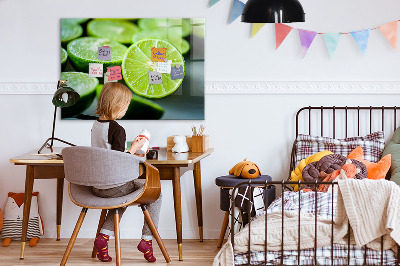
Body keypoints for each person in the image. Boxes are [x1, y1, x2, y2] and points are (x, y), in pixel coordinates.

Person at [91, 82, 161, 263]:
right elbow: (119, 161)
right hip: (114, 186)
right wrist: (136, 148)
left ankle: (103, 238)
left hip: (97, 186)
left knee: (121, 198)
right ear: (118, 105)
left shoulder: (96, 125)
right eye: (126, 105)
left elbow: (108, 154)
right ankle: (147, 240)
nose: (126, 109)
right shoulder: (117, 129)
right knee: (156, 194)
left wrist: (130, 150)